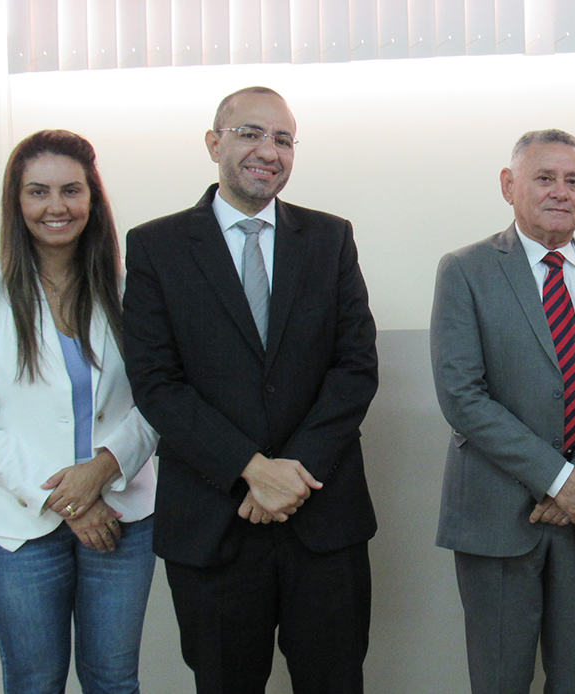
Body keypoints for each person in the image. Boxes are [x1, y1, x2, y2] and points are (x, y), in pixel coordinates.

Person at [122, 86, 379, 694]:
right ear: (214, 143)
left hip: (323, 519)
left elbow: (355, 368)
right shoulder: (156, 246)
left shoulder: (330, 238)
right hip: (214, 523)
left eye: (284, 140)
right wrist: (251, 469)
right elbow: (157, 383)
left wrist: (291, 474)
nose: (269, 150)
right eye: (250, 134)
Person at [430, 129, 575, 694]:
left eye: (574, 180)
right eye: (545, 178)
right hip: (498, 519)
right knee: (499, 681)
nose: (561, 191)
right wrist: (557, 479)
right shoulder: (465, 269)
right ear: (509, 186)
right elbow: (462, 395)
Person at [0, 129, 159, 693]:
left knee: (114, 680)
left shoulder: (131, 287)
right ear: (17, 201)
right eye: (38, 191)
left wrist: (103, 469)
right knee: (34, 682)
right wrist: (70, 499)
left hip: (122, 512)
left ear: (92, 198)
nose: (55, 206)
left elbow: (160, 396)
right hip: (19, 526)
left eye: (71, 190)